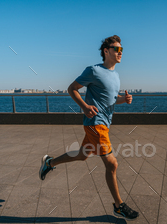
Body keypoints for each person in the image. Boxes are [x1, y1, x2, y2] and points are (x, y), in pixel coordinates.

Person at [39, 35, 139, 221]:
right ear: (106, 51)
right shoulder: (93, 70)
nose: (120, 53)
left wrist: (123, 100)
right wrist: (84, 107)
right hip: (96, 124)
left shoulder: (116, 75)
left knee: (82, 155)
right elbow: (72, 88)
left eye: (122, 49)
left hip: (103, 124)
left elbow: (110, 100)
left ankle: (49, 163)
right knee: (112, 163)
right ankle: (119, 206)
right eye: (117, 49)